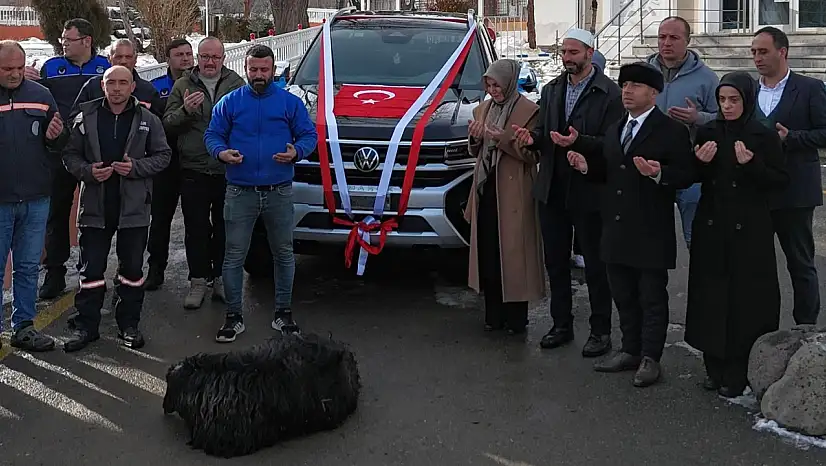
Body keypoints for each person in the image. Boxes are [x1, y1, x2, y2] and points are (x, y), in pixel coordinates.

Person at [567, 62, 695, 387]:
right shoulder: (616, 128)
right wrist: (586, 167)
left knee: (651, 296)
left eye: (635, 86)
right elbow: (612, 172)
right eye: (624, 85)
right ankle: (630, 350)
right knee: (622, 294)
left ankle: (651, 357)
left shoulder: (671, 130)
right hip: (615, 228)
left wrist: (658, 173)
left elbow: (687, 174)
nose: (627, 91)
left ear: (653, 93)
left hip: (650, 230)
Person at [512, 28, 623, 357]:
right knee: (556, 262)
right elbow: (546, 133)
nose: (567, 59)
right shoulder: (552, 89)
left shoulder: (610, 94)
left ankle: (600, 331)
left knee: (595, 265)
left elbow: (614, 145)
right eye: (564, 52)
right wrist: (533, 138)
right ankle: (561, 324)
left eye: (574, 53)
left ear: (590, 53)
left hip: (590, 189)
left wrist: (580, 145)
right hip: (554, 188)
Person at [684, 72, 789, 398]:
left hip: (749, 226)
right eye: (722, 100)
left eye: (734, 100)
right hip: (713, 224)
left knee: (745, 299)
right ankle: (714, 365)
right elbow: (694, 175)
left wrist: (752, 164)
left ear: (747, 99)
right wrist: (699, 163)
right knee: (711, 295)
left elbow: (779, 180)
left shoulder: (762, 134)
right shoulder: (709, 130)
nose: (727, 106)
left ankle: (740, 369)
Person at [204, 44, 316, 343]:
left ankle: (283, 312)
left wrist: (298, 152)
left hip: (278, 191)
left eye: (263, 70)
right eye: (253, 70)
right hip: (240, 191)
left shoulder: (289, 103)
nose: (258, 75)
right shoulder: (230, 102)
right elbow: (212, 134)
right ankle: (233, 317)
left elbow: (309, 135)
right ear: (245, 69)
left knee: (283, 253)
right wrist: (221, 152)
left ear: (273, 69)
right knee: (234, 256)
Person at [61, 66, 171, 352]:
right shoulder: (86, 117)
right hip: (95, 207)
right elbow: (70, 154)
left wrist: (136, 168)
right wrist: (87, 171)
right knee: (91, 271)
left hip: (134, 208)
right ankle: (87, 326)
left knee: (132, 270)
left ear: (133, 86)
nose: (117, 88)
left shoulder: (148, 119)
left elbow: (163, 156)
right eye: (112, 83)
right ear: (103, 85)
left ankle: (129, 325)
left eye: (124, 83)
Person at [30, 18, 111, 300]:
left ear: (86, 41)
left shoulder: (105, 67)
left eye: (69, 39)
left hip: (95, 153)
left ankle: (91, 271)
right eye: (63, 39)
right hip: (60, 153)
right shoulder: (51, 68)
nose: (63, 43)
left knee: (95, 215)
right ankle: (54, 273)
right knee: (57, 214)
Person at [464, 59, 545, 335]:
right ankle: (493, 315)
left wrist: (503, 139)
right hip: (487, 189)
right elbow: (476, 152)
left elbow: (534, 155)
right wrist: (475, 138)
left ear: (510, 82)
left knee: (513, 254)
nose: (493, 89)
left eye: (497, 84)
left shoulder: (529, 110)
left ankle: (516, 319)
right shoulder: (482, 109)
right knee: (489, 253)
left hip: (514, 193)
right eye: (488, 84)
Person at [163, 36, 244, 309]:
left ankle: (220, 278)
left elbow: (247, 123)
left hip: (227, 169)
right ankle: (198, 280)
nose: (210, 62)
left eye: (215, 57)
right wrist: (186, 111)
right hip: (194, 168)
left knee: (225, 227)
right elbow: (167, 124)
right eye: (205, 56)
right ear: (198, 58)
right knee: (196, 227)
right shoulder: (183, 84)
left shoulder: (236, 85)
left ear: (223, 58)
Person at [752, 27, 826, 325]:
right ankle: (761, 327)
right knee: (757, 265)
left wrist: (791, 138)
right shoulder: (749, 89)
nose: (757, 58)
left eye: (763, 51)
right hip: (757, 190)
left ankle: (805, 328)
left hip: (795, 192)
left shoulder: (809, 88)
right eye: (754, 52)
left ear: (782, 52)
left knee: (800, 263)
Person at [0, 40, 68, 352]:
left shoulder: (41, 95)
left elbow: (57, 141)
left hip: (36, 198)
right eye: (6, 69)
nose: (14, 74)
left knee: (28, 267)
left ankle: (24, 327)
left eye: (18, 68)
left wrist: (56, 137)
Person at [646, 16, 719, 250]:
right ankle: (653, 287)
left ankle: (702, 285)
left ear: (688, 41)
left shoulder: (706, 79)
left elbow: (724, 119)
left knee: (696, 237)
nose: (666, 42)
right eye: (662, 37)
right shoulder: (643, 73)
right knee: (651, 238)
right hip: (649, 166)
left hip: (690, 167)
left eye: (674, 38)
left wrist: (698, 118)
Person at [144, 38, 195, 290]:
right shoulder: (156, 88)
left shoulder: (203, 83)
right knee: (161, 219)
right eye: (179, 55)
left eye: (188, 54)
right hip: (165, 162)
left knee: (196, 220)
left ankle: (199, 274)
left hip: (195, 161)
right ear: (168, 59)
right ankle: (156, 269)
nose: (185, 59)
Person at [70, 38, 163, 119]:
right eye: (118, 57)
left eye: (128, 57)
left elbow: (158, 125)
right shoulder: (92, 86)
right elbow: (74, 119)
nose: (123, 61)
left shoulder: (147, 90)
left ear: (135, 59)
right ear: (109, 59)